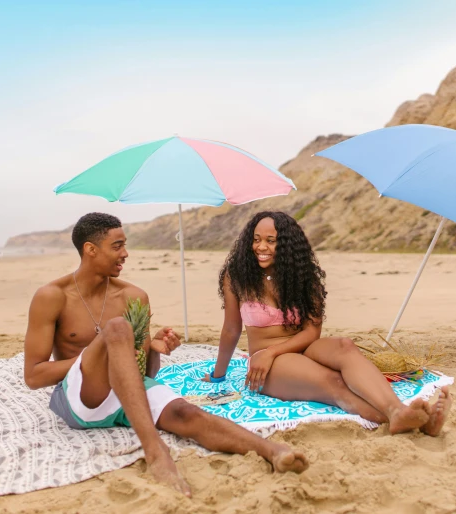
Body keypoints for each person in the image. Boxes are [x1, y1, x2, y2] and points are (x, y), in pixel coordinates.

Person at [24, 212, 308, 498]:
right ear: (90, 249)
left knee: (187, 413)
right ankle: (156, 452)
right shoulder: (52, 296)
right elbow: (34, 376)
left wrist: (150, 349)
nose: (125, 254)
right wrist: (102, 353)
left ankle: (272, 451)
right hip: (82, 396)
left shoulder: (134, 296)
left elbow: (146, 374)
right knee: (117, 329)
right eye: (117, 246)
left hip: (126, 391)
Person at [204, 211, 452, 436]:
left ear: (287, 245)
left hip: (300, 347)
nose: (261, 247)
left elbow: (312, 331)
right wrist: (218, 375)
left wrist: (274, 350)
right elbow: (231, 329)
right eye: (256, 239)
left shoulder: (303, 275)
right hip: (267, 363)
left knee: (344, 346)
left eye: (271, 240)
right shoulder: (237, 275)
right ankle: (402, 420)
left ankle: (398, 410)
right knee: (334, 382)